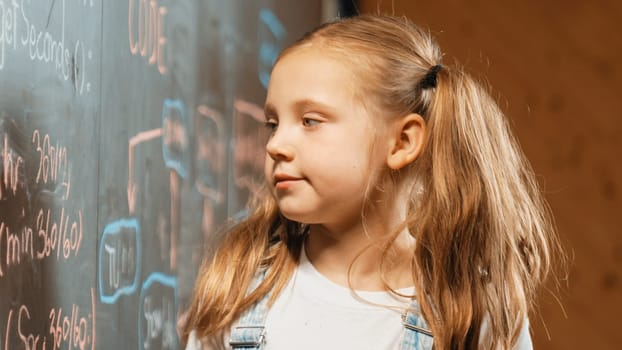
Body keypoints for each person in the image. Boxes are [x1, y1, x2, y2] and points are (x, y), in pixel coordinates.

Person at [182, 15, 563, 350]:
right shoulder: (238, 284)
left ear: (402, 142)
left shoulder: (469, 307)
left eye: (310, 121)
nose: (276, 144)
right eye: (272, 124)